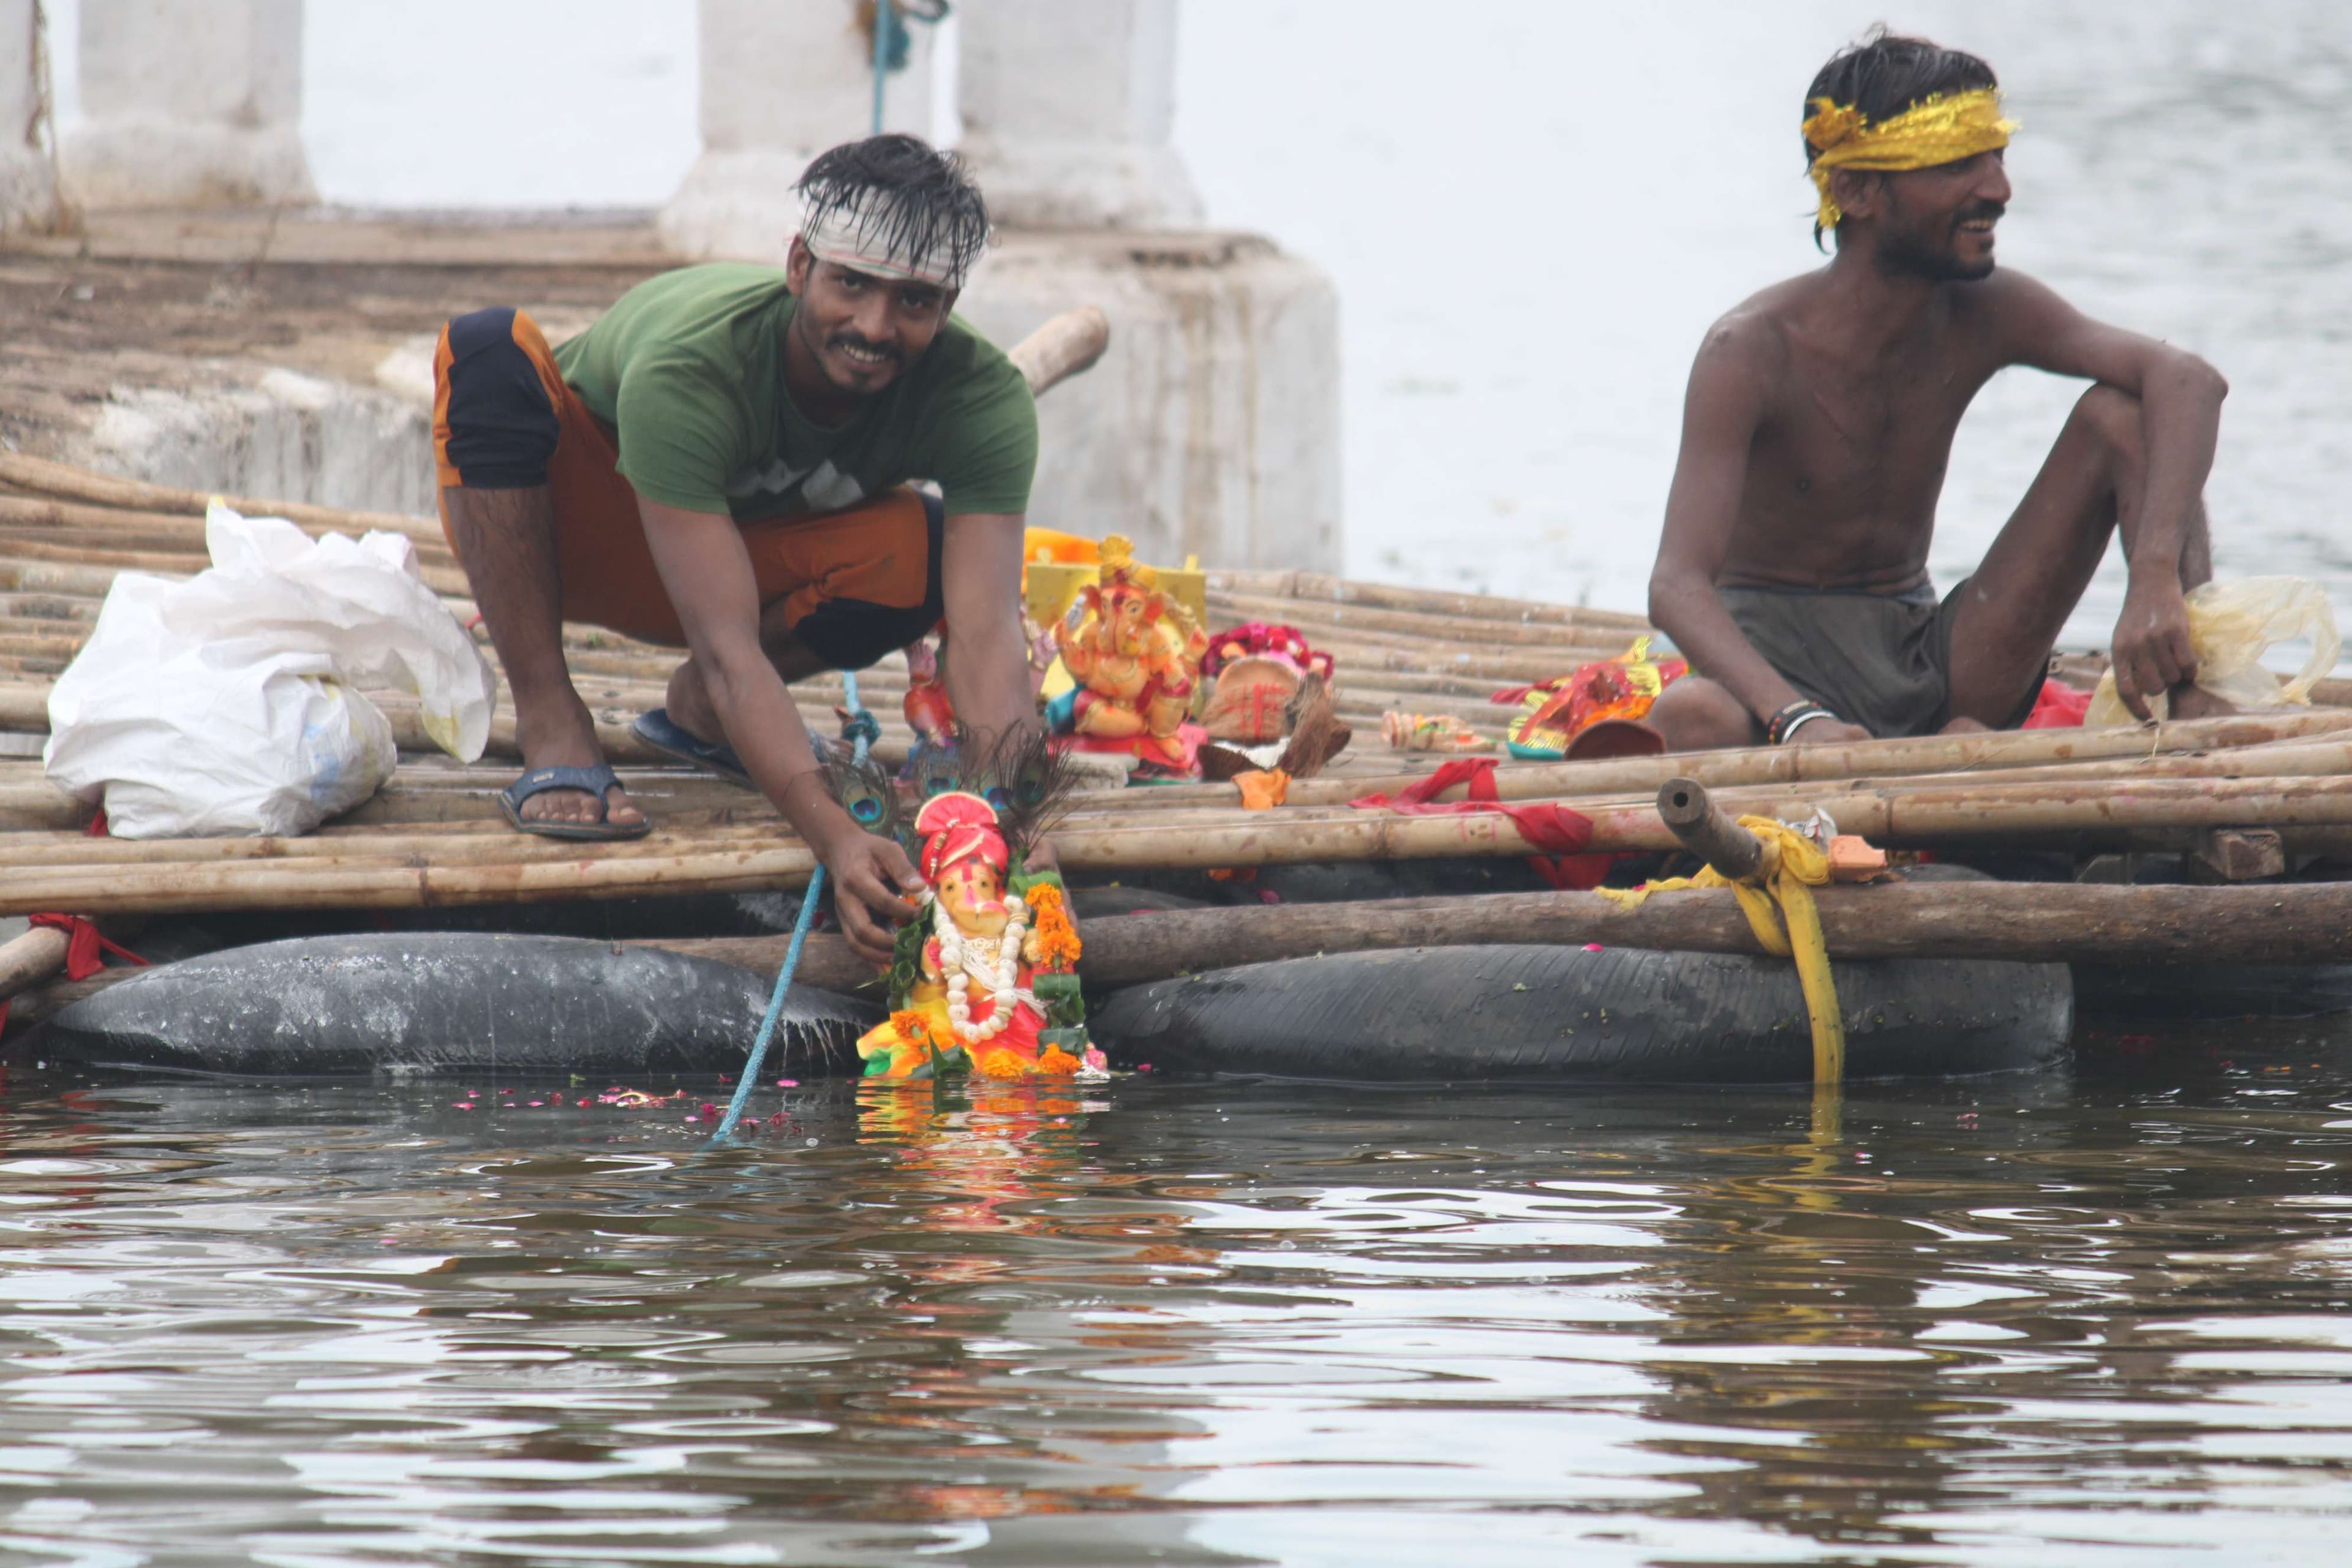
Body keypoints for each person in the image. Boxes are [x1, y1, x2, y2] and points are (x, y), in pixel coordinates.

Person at [431, 134, 1041, 964]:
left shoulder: (983, 399)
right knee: (486, 349)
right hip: (569, 539)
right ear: (799, 268)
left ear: (949, 304)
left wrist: (1001, 820)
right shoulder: (695, 365)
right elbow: (724, 644)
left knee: (923, 548)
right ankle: (553, 722)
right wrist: (835, 836)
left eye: (915, 302)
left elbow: (987, 635)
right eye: (850, 285)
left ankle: (703, 718)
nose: (874, 326)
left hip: (747, 558)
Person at [1645, 30, 2230, 753]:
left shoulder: (1987, 308)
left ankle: (2194, 687)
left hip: (1934, 658)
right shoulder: (1749, 350)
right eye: (1956, 163)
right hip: (1772, 670)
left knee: (2126, 415)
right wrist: (1797, 718)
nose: (1998, 189)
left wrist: (2153, 582)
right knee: (1691, 718)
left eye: (1997, 157)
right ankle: (1889, 745)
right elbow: (1675, 587)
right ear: (1856, 190)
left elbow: (2188, 381)